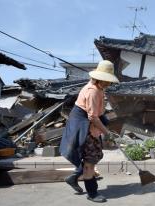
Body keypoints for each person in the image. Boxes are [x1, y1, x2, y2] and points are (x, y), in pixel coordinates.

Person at [60, 60, 119, 202]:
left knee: (93, 156)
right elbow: (92, 117)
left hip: (89, 124)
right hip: (83, 126)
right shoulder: (92, 91)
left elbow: (96, 114)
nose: (109, 83)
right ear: (100, 78)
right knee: (90, 161)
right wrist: (107, 133)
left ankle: (74, 177)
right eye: (107, 80)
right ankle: (92, 193)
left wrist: (103, 121)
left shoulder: (99, 88)